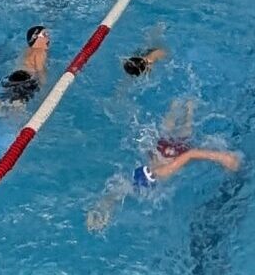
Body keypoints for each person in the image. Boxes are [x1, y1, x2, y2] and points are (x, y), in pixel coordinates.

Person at [86, 95, 243, 230]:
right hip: (157, 151)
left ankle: (189, 108)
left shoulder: (163, 173)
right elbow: (114, 195)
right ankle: (177, 107)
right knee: (165, 133)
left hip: (175, 153)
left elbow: (191, 154)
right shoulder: (135, 181)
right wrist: (101, 211)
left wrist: (223, 158)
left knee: (184, 133)